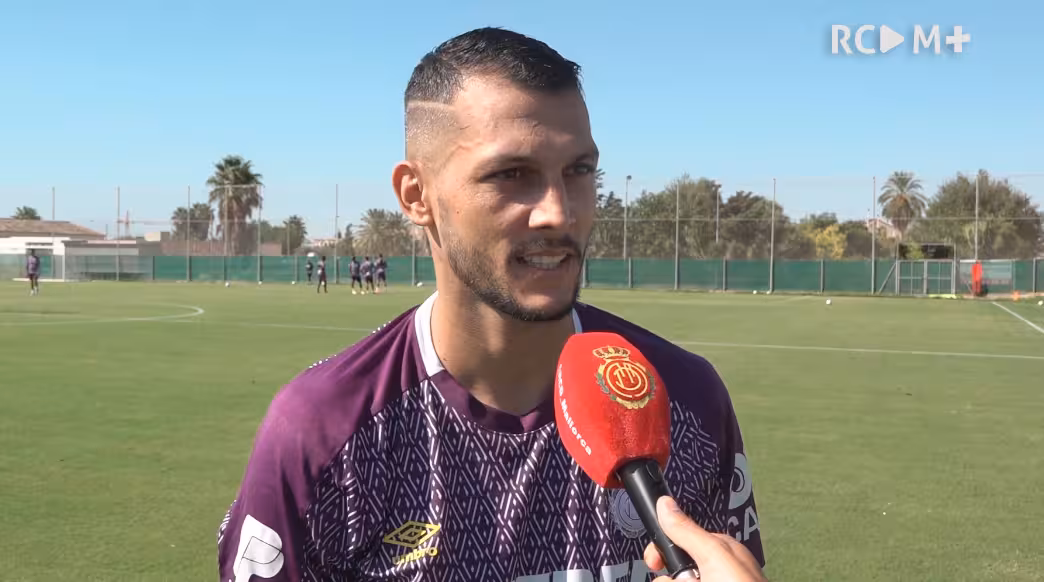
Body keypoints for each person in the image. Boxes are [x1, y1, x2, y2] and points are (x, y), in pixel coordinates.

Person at [216, 27, 764, 582]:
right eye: (511, 174)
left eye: (578, 171)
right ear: (416, 196)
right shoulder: (322, 432)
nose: (559, 213)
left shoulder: (685, 397)